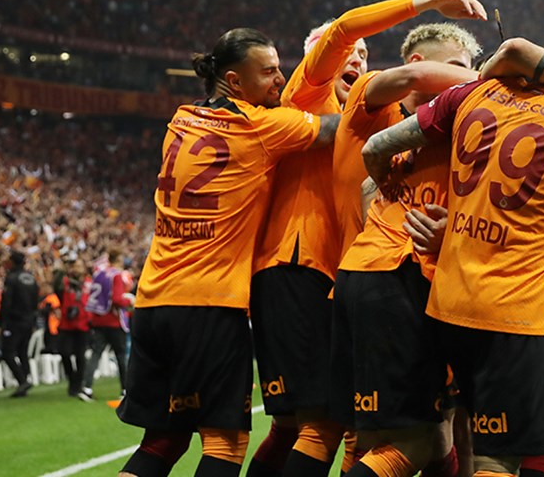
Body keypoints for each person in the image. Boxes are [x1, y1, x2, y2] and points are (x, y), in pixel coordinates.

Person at [358, 34, 544, 477]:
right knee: (496, 459)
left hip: (444, 306)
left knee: (434, 437)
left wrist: (392, 197)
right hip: (515, 314)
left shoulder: (474, 93)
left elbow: (375, 148)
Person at [248, 0, 486, 477]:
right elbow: (356, 41)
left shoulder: (435, 126)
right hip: (349, 277)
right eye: (457, 69)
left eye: (364, 53)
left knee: (414, 429)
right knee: (373, 433)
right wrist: (433, 5)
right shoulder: (354, 101)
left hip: (395, 283)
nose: (357, 59)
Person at [116, 28, 339, 477]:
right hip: (209, 304)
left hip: (153, 300)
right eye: (269, 72)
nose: (281, 79)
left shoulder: (180, 120)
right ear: (234, 81)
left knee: (163, 440)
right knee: (226, 443)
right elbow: (337, 129)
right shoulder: (257, 126)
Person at [328, 22, 482, 477]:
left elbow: (369, 190)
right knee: (411, 442)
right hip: (395, 279)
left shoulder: (457, 126)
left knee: (423, 432)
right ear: (419, 62)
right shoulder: (374, 104)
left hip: (385, 279)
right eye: (455, 67)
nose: (463, 78)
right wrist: (497, 80)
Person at [79, 251, 133, 401]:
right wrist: (130, 301)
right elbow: (117, 299)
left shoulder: (99, 274)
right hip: (113, 320)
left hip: (98, 320)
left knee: (95, 354)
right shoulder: (117, 275)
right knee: (121, 355)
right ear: (118, 259)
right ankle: (125, 390)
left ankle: (86, 388)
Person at [0, 249, 39, 398]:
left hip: (14, 321)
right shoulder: (31, 278)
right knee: (23, 352)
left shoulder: (11, 278)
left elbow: (6, 302)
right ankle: (26, 379)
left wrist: (0, 322)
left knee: (7, 352)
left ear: (12, 262)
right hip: (28, 320)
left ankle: (22, 380)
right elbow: (35, 301)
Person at [54, 256, 91, 398]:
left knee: (80, 356)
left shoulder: (88, 283)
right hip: (66, 324)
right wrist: (62, 268)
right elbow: (55, 285)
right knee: (64, 353)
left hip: (83, 324)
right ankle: (72, 378)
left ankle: (78, 384)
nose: (76, 269)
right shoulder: (65, 282)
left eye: (78, 266)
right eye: (74, 266)